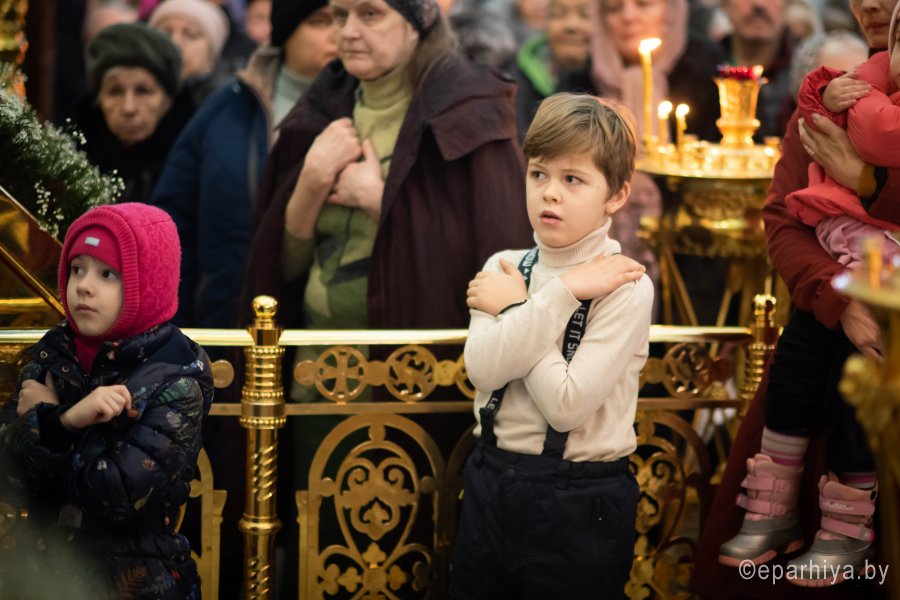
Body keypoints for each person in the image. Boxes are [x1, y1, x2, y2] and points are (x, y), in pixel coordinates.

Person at [692, 0, 900, 594]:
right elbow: (784, 223)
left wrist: (868, 181)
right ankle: (781, 518)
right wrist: (843, 299)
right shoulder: (833, 98)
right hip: (829, 329)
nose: (871, 4)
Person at [448, 93, 653, 598]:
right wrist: (559, 294)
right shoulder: (504, 266)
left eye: (572, 179)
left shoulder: (625, 286)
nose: (549, 193)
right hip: (490, 480)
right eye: (538, 174)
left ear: (616, 195)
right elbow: (483, 371)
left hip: (580, 499)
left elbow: (566, 406)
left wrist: (523, 306)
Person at [0, 203, 214, 599]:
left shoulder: (176, 376)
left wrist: (52, 422)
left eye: (107, 274)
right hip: (42, 573)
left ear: (147, 282)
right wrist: (65, 420)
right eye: (77, 269)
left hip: (136, 580)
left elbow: (115, 495)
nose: (84, 285)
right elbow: (8, 468)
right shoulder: (56, 352)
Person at [154, 0, 336, 329]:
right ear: (287, 31)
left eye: (344, 18)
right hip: (224, 319)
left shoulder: (364, 106)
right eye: (321, 21)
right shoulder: (230, 104)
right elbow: (174, 218)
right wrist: (173, 326)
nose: (340, 33)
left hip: (324, 332)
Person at [557, 0, 724, 322]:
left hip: (697, 259)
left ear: (670, 11)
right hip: (597, 258)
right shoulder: (579, 85)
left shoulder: (704, 72)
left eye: (644, 4)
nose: (628, 16)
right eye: (613, 8)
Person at [75, 23, 195, 205]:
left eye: (143, 91)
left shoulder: (190, 168)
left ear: (168, 101)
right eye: (115, 91)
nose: (128, 108)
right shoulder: (72, 161)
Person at [513, 0, 594, 141]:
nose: (571, 25)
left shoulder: (626, 80)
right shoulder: (514, 85)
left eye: (586, 15)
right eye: (558, 14)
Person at [720, 0, 796, 139]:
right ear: (724, 4)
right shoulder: (699, 66)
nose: (759, 4)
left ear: (788, 5)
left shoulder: (806, 73)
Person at [149, 0, 231, 106]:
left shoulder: (226, 102)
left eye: (191, 35)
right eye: (165, 33)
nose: (175, 43)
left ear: (211, 50)